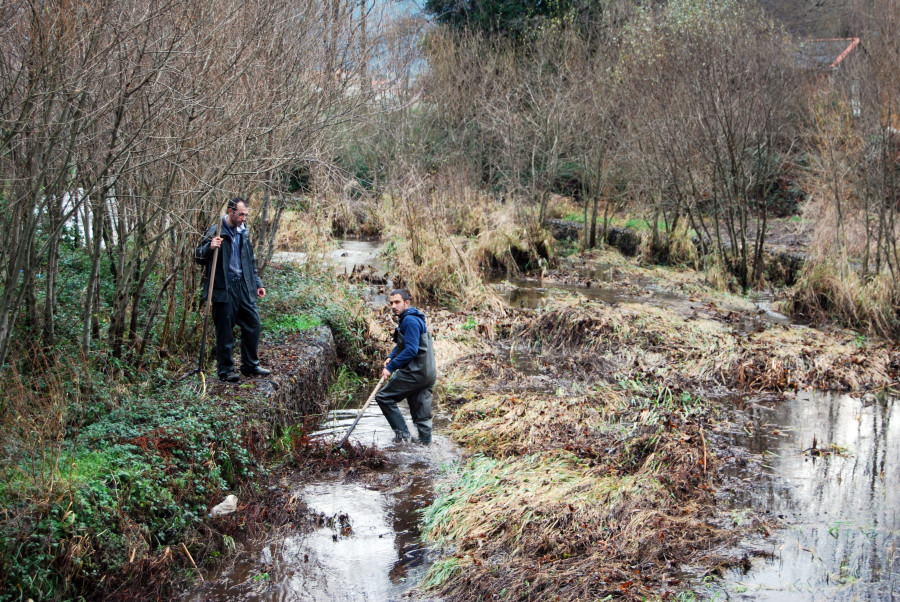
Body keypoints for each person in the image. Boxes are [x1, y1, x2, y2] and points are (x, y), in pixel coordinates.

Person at [195, 197, 271, 382]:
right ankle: (226, 371)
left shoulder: (243, 233)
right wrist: (210, 247)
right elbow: (197, 256)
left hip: (243, 286)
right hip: (223, 287)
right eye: (241, 214)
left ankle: (250, 365)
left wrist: (258, 283)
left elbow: (250, 261)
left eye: (246, 214)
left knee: (253, 324)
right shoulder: (216, 231)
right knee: (225, 330)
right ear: (230, 212)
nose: (244, 218)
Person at [376, 289, 437, 445]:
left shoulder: (409, 321)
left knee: (384, 397)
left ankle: (403, 439)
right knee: (421, 414)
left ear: (407, 302)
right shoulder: (414, 318)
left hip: (415, 372)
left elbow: (411, 349)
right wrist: (391, 356)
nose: (393, 306)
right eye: (391, 303)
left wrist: (391, 367)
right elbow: (404, 344)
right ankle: (426, 448)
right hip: (427, 373)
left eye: (397, 302)